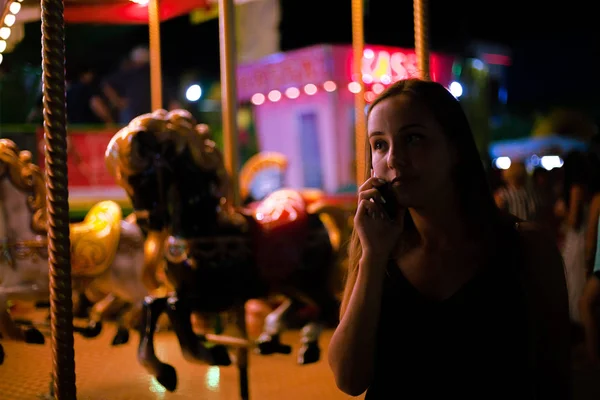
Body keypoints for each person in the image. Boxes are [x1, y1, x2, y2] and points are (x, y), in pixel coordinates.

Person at [328, 79, 571, 399]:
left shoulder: (526, 246)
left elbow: (555, 376)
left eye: (413, 139)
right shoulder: (376, 251)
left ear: (454, 148)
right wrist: (372, 256)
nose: (393, 159)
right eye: (380, 144)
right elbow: (349, 378)